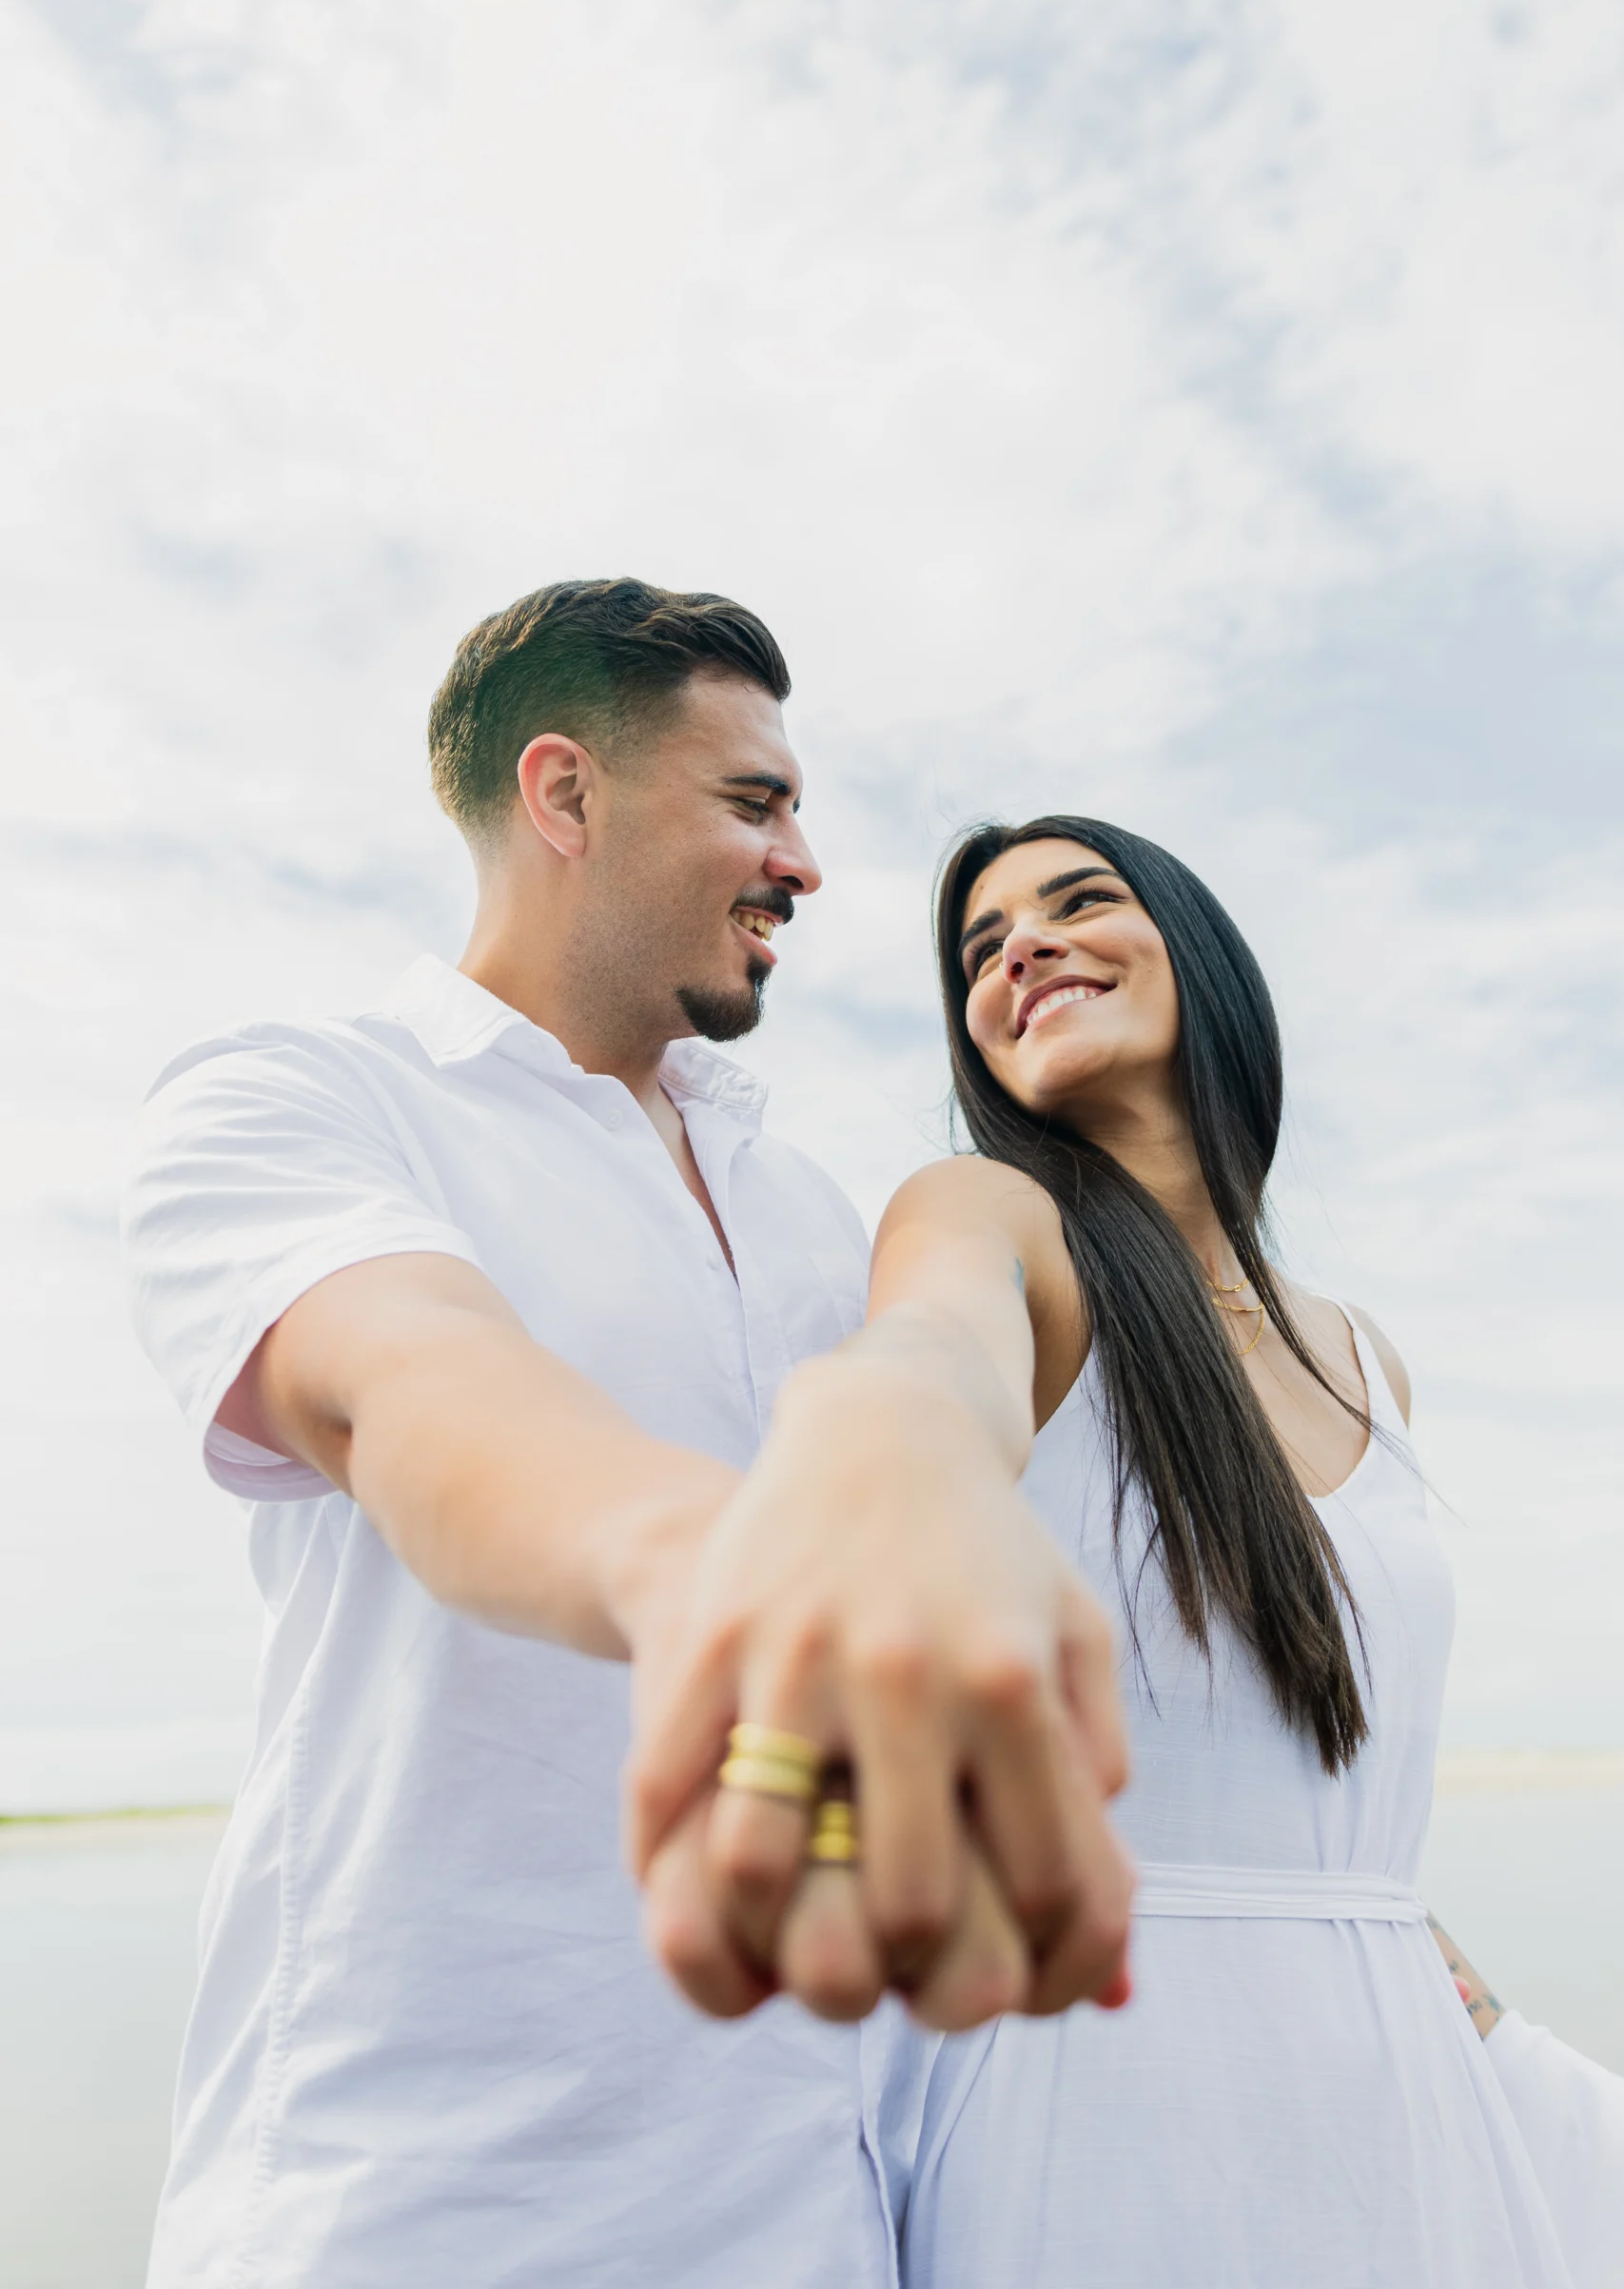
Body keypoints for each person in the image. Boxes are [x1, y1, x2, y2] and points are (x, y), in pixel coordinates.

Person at [121, 588, 1132, 2289]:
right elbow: (420, 1390)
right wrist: (744, 1576)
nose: (805, 864)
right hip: (415, 2220)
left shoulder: (812, 1214)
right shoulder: (304, 1099)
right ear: (564, 796)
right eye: (755, 802)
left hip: (823, 2218)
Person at [783, 812, 1624, 2286]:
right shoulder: (993, 1220)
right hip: (1103, 2087)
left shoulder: (1363, 1355)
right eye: (981, 949)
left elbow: (1332, 1830)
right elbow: (929, 1355)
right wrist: (891, 1452)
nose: (1019, 949)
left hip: (1399, 2100)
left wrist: (1506, 2056)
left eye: (1074, 903)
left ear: (1199, 958)